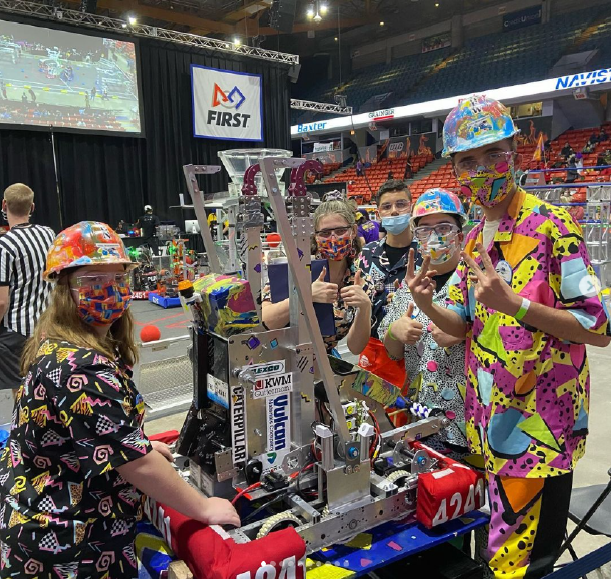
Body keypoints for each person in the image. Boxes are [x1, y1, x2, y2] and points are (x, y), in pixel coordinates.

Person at [407, 94, 610, 579]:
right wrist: (426, 303)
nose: (482, 169)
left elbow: (598, 328)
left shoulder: (554, 228)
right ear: (454, 168)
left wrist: (515, 304)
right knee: (499, 555)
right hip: (489, 425)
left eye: (492, 154)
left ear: (515, 151)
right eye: (467, 161)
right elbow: (461, 327)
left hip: (539, 432)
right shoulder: (476, 237)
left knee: (525, 564)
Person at [0, 221, 239, 577]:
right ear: (66, 289)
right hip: (66, 546)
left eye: (117, 279)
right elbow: (137, 466)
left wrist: (135, 443)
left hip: (60, 524)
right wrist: (204, 508)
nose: (109, 290)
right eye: (93, 281)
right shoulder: (80, 366)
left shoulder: (70, 344)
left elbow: (93, 429)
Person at [380, 189, 470, 457]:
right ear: (417, 239)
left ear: (460, 235)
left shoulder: (475, 283)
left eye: (443, 227)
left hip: (472, 424)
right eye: (424, 230)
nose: (434, 236)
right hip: (422, 422)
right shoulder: (410, 288)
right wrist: (395, 332)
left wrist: (468, 332)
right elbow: (392, 351)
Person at [262, 200, 374, 356]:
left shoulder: (360, 281)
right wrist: (306, 295)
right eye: (325, 233)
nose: (333, 239)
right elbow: (267, 321)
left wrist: (365, 308)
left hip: (324, 366)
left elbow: (355, 348)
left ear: (353, 231)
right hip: (282, 361)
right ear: (315, 236)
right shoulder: (294, 270)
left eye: (341, 231)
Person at [355, 179, 421, 387]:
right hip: (372, 349)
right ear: (378, 213)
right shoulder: (368, 253)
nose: (394, 211)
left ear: (411, 206)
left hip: (414, 351)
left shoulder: (426, 253)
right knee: (370, 415)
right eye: (387, 206)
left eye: (400, 204)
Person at [0, 184, 55, 396]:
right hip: (48, 325)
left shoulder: (5, 245)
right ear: (32, 207)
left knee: (22, 391)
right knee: (47, 382)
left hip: (16, 331)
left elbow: (2, 302)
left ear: (4, 205)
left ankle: (26, 428)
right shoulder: (48, 234)